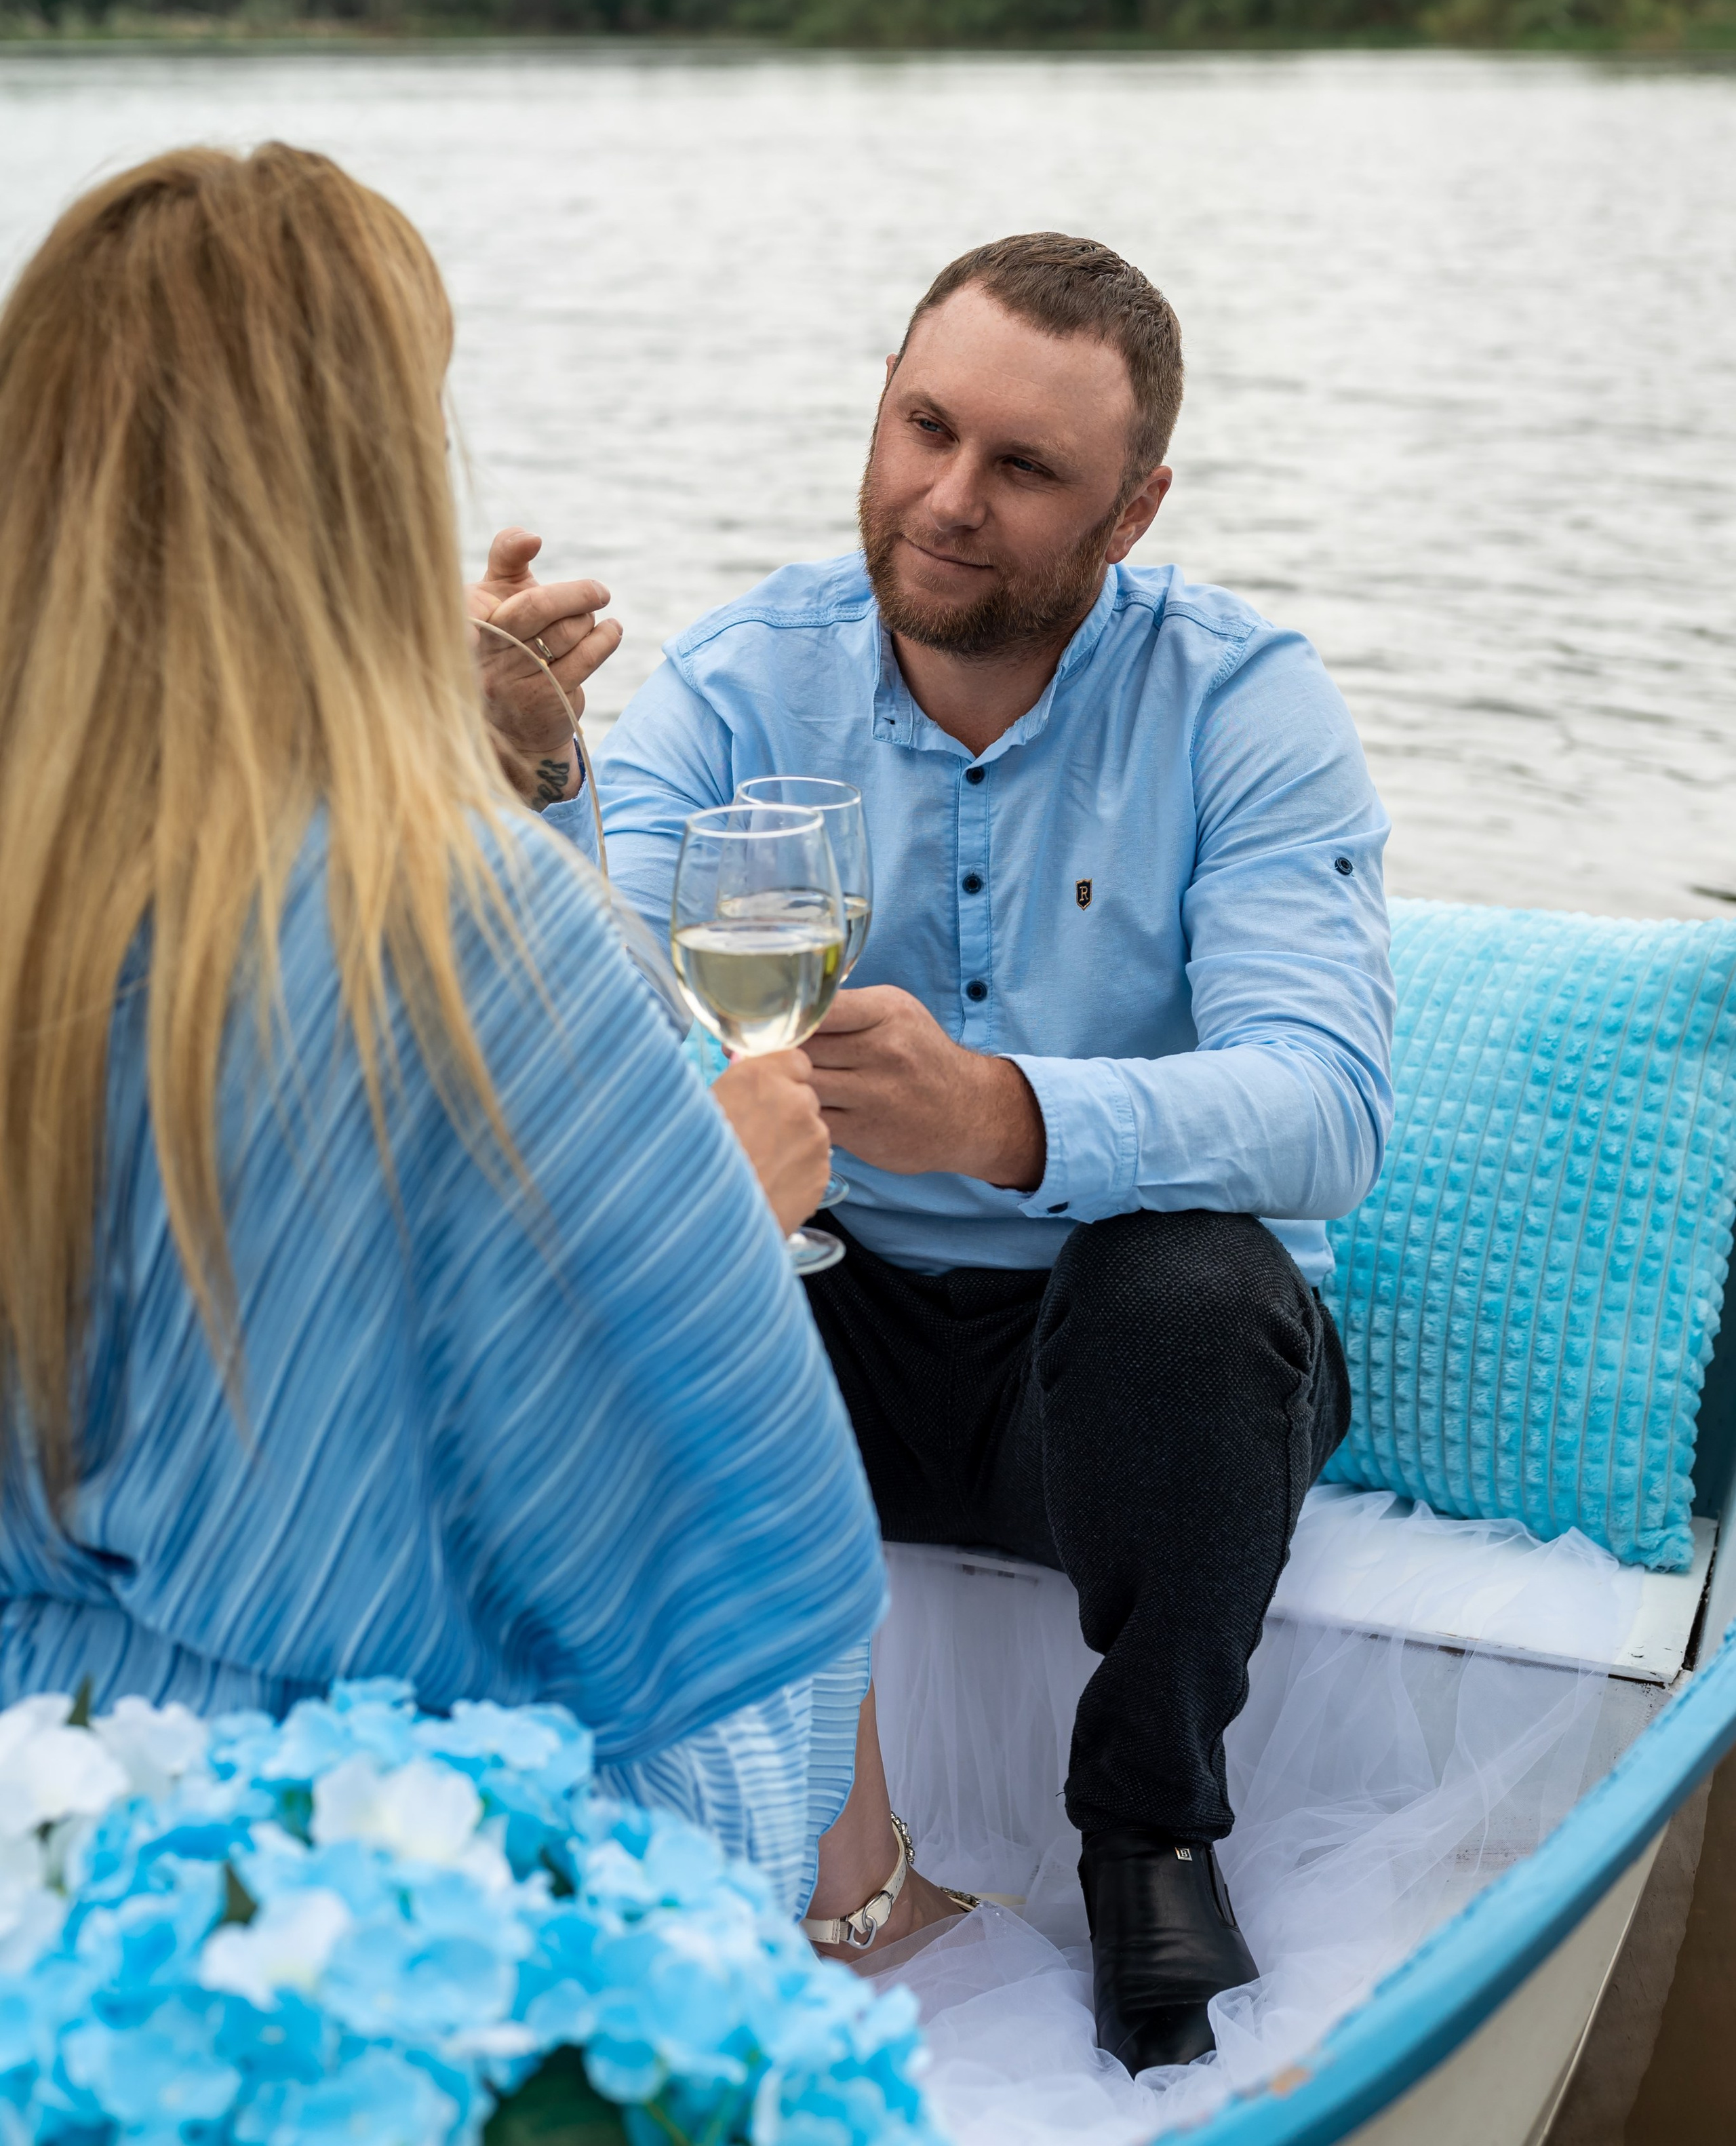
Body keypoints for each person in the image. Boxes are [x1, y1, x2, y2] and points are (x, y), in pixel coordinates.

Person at [480, 233, 1396, 2069]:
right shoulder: (743, 680)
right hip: (840, 1339)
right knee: (650, 1246)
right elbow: (590, 1038)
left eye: (1024, 468)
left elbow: (1326, 1101)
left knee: (1193, 1282)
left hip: (1120, 1390)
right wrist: (528, 787)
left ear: (1130, 512)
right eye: (924, 426)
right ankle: (691, 1839)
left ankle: (1149, 1834)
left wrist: (1008, 1114)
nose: (947, 499)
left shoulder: (1245, 699)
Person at [0, 143, 886, 1923]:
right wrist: (720, 1186)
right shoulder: (460, 926)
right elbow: (673, 1503)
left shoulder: (53, 876)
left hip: (48, 1771)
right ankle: (884, 1922)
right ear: (363, 484)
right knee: (776, 1685)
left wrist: (503, 767)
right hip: (374, 1847)